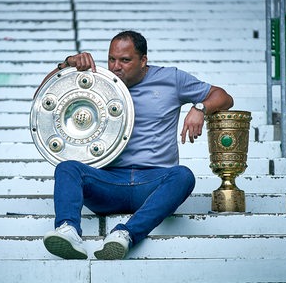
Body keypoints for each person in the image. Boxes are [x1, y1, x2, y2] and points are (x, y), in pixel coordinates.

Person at [39, 30, 233, 260]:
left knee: (183, 176)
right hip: (108, 183)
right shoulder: (98, 81)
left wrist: (200, 108)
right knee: (67, 168)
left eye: (125, 60)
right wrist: (66, 64)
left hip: (152, 185)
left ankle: (125, 234)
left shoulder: (171, 79)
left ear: (143, 60)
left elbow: (223, 96)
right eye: (112, 59)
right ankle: (68, 230)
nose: (115, 66)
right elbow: (43, 99)